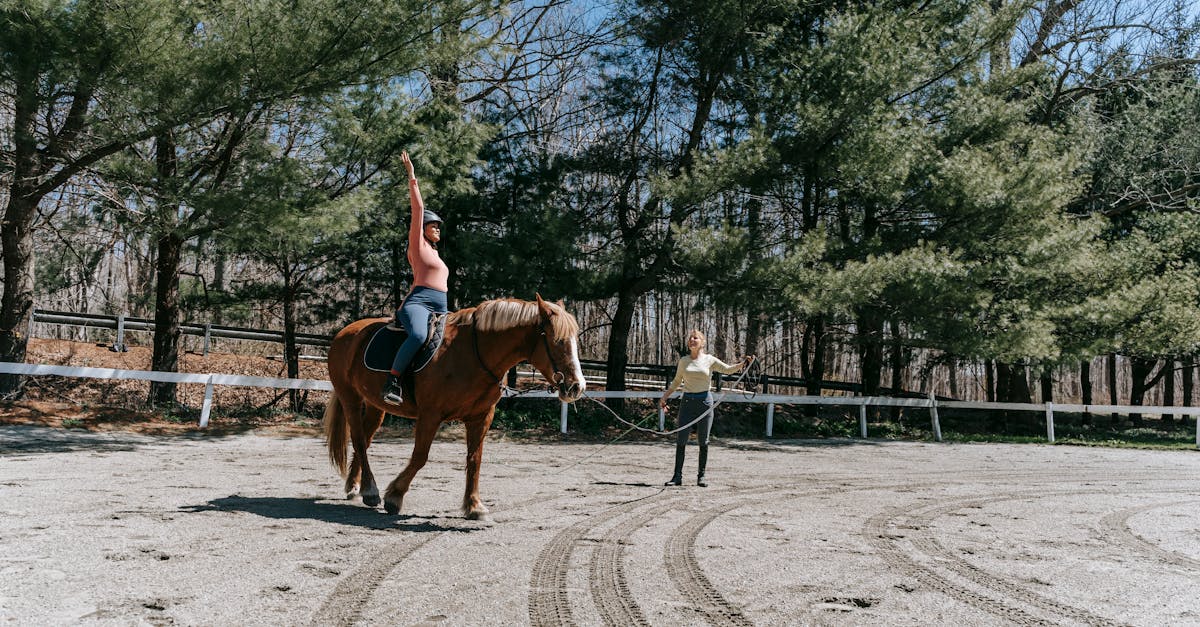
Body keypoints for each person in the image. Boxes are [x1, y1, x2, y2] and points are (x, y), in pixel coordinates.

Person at [382, 151, 448, 405]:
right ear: (423, 229)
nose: (438, 229)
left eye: (439, 227)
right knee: (419, 336)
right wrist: (412, 177)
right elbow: (418, 209)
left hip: (441, 305)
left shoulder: (435, 253)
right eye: (434, 225)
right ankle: (393, 380)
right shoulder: (418, 245)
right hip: (419, 303)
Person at [658, 330, 752, 487]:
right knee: (681, 440)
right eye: (690, 338)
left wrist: (744, 364)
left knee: (704, 441)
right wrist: (664, 397)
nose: (692, 340)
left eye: (695, 338)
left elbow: (728, 369)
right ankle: (677, 477)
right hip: (687, 403)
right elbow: (676, 382)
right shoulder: (684, 361)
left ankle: (701, 477)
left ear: (702, 342)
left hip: (705, 404)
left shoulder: (709, 360)